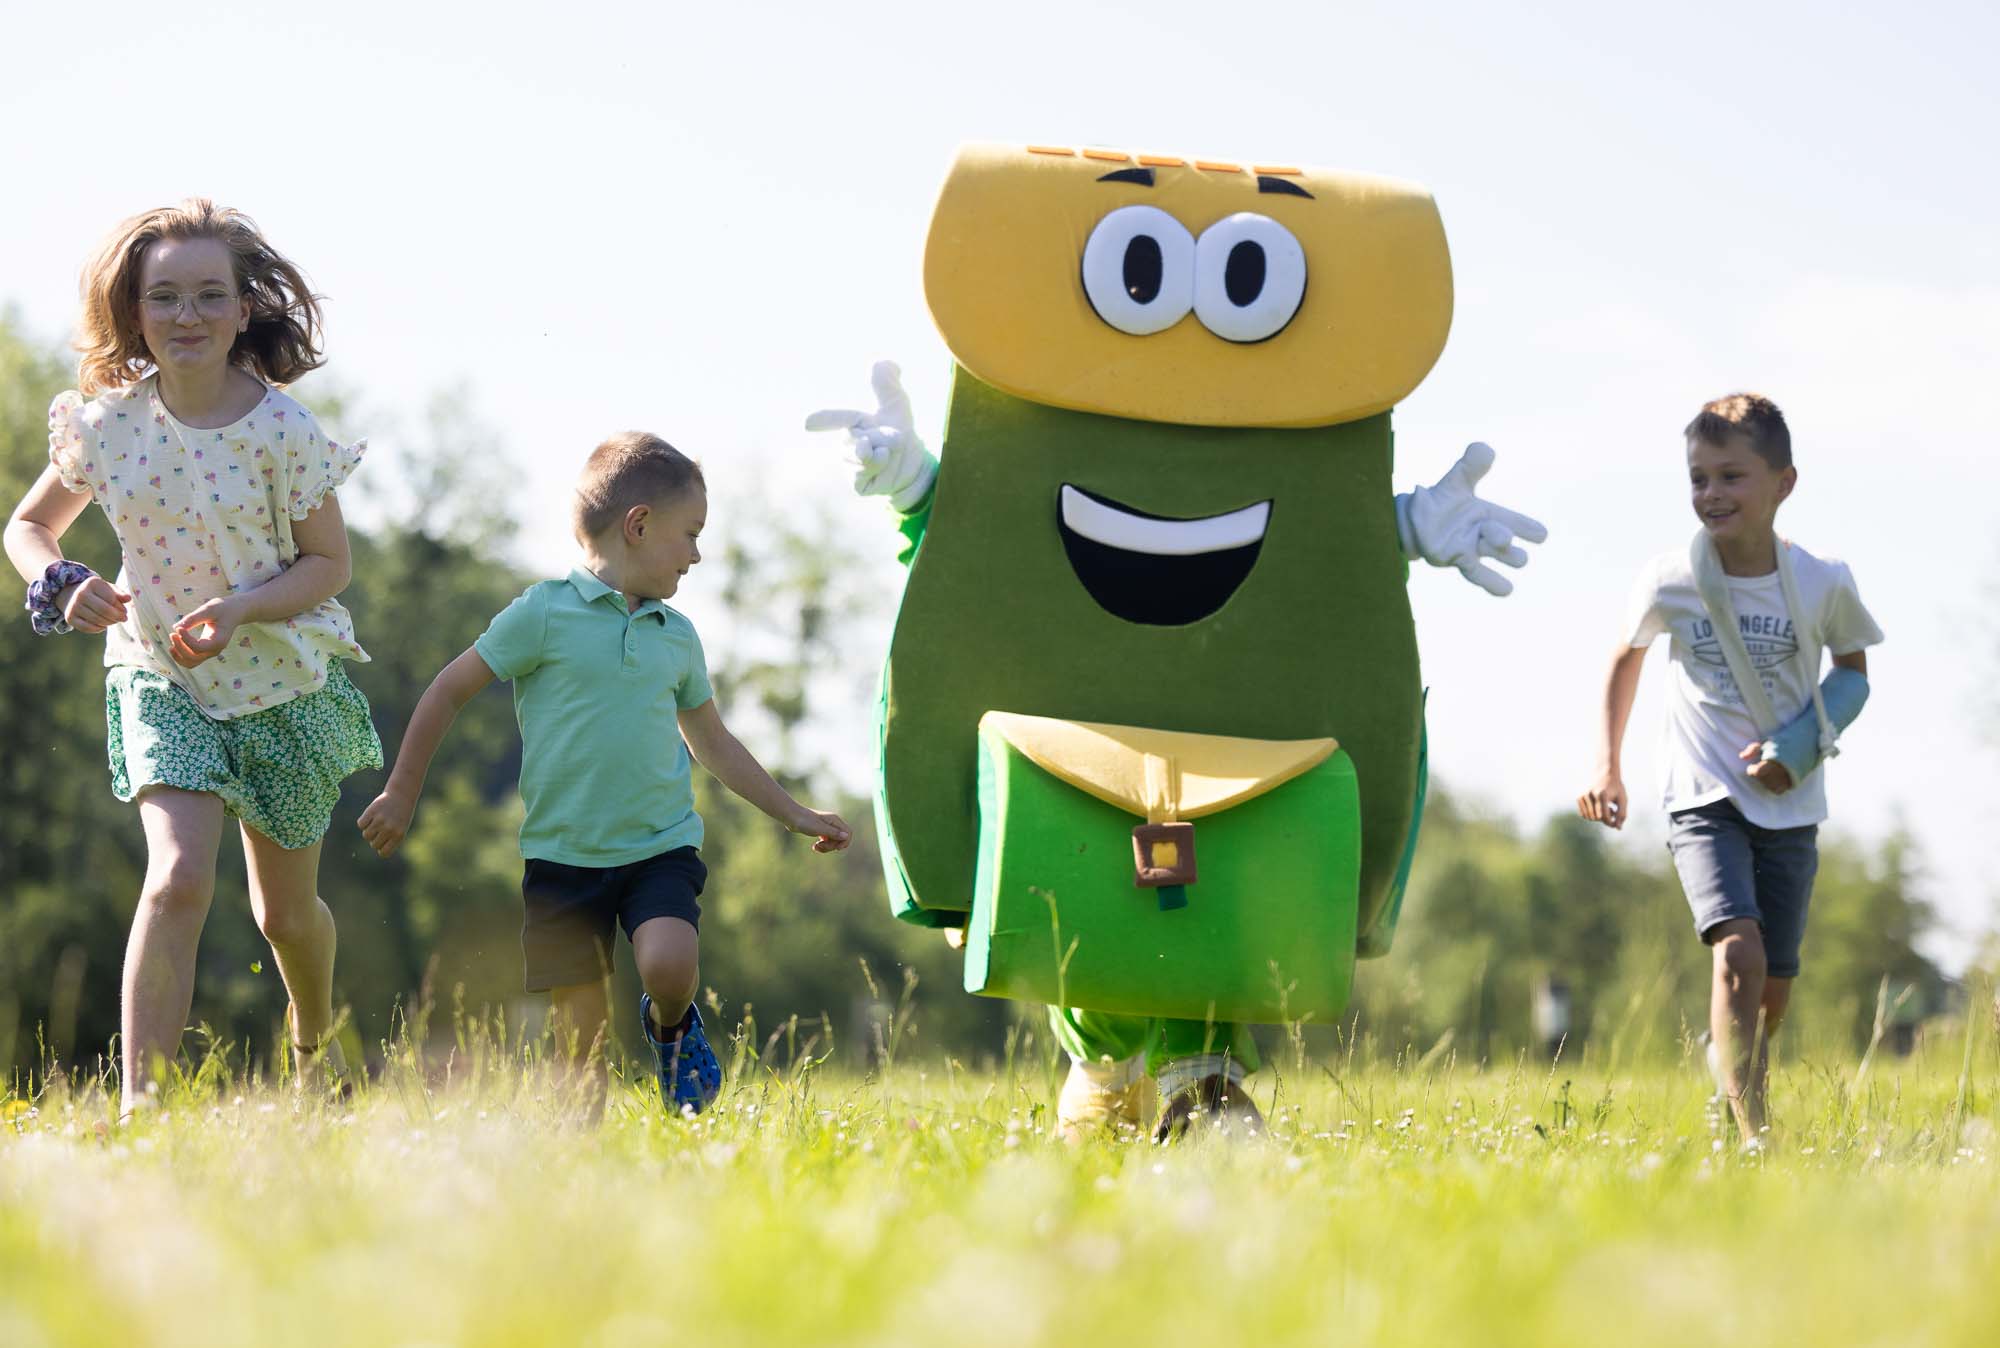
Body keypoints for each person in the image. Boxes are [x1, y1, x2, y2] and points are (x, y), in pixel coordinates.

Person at [4, 200, 381, 1116]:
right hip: (159, 674)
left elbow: (329, 565)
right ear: (133, 312)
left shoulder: (284, 431)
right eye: (164, 296)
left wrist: (244, 608)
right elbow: (28, 527)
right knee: (176, 877)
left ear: (244, 309)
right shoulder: (106, 426)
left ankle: (312, 1042)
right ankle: (145, 1107)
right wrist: (61, 580)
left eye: (210, 295)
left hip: (279, 684)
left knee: (284, 916)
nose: (187, 315)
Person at [357, 432, 851, 1119]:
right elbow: (448, 691)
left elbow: (713, 741)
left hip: (659, 847)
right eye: (690, 534)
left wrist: (794, 813)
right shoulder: (542, 613)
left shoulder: (677, 635)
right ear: (638, 526)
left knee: (670, 967)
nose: (697, 555)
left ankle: (671, 1031)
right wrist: (402, 790)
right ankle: (581, 1143)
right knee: (580, 1040)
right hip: (562, 858)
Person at [1579, 393, 1881, 1148]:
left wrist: (1799, 750)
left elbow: (1852, 673)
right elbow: (1626, 657)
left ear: (1784, 483)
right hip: (1701, 794)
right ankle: (1754, 1138)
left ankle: (1730, 1072)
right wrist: (1608, 767)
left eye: (1731, 477)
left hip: (1793, 804)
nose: (1711, 494)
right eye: (1698, 478)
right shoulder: (1670, 578)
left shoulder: (1823, 580)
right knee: (1738, 951)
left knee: (1771, 991)